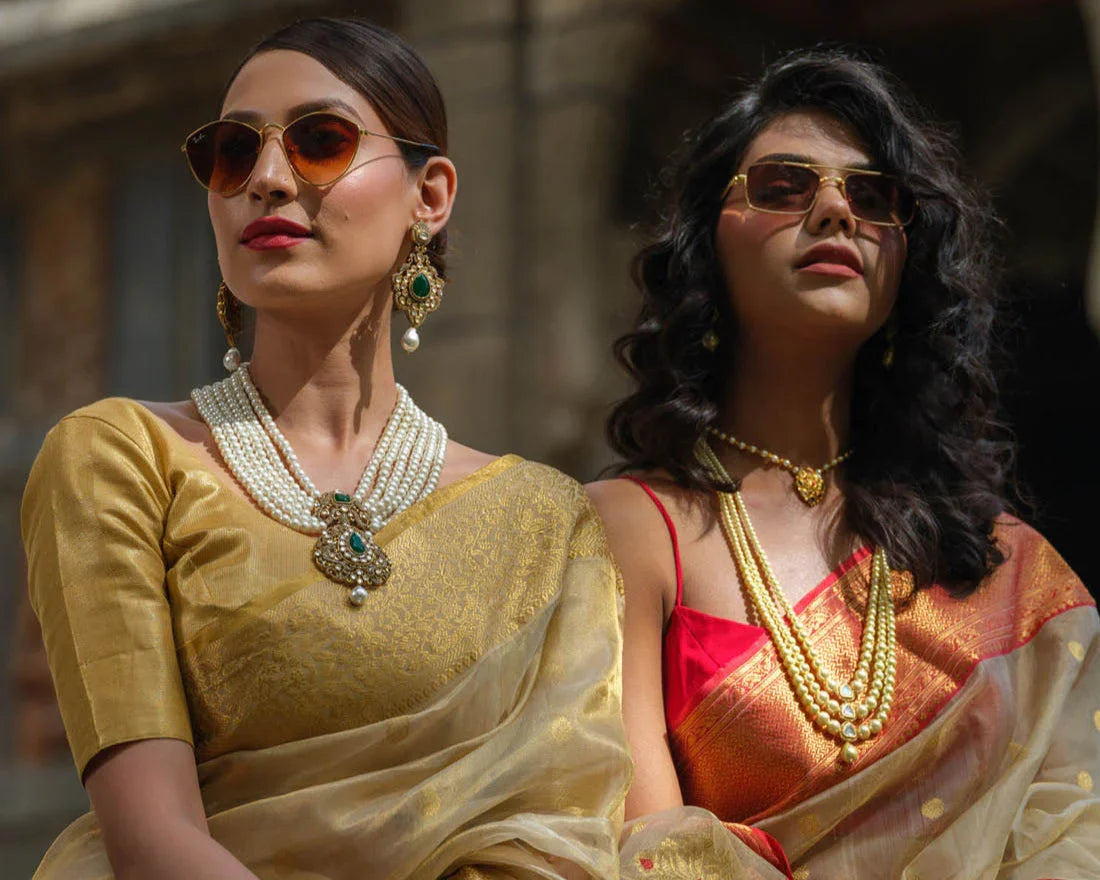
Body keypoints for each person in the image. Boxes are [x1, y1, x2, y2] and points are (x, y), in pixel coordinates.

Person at [22, 18, 632, 879]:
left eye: (320, 141)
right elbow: (151, 837)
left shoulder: (545, 519)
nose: (267, 180)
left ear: (431, 194)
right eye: (233, 153)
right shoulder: (124, 457)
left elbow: (559, 838)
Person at [588, 49, 1100, 879]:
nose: (834, 211)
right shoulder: (632, 529)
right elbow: (646, 850)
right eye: (784, 188)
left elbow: (1073, 831)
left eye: (873, 197)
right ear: (705, 245)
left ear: (909, 259)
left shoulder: (1001, 565)